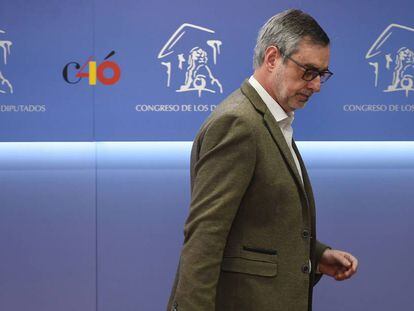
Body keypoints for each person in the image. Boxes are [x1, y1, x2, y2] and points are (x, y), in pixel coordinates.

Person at [167, 9, 358, 311]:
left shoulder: (271, 120)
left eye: (321, 74)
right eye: (308, 71)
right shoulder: (238, 123)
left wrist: (316, 255)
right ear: (272, 58)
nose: (317, 85)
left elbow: (258, 221)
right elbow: (206, 236)